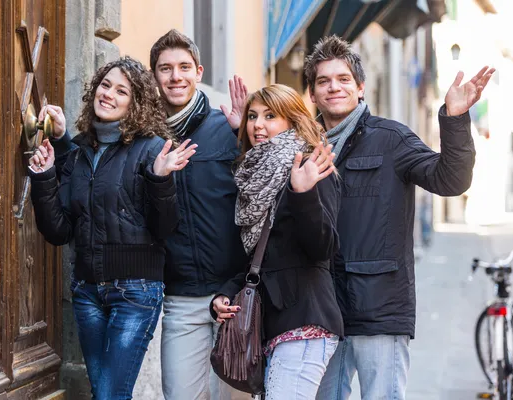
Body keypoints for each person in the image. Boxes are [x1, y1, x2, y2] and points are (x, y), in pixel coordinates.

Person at [303, 36, 495, 399]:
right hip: (321, 311)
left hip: (379, 308)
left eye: (343, 79)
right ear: (312, 93)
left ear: (360, 87)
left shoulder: (391, 139)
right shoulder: (303, 147)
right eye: (323, 81)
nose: (334, 87)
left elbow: (449, 179)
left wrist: (454, 119)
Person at [27, 56, 196, 399]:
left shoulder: (151, 150)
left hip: (135, 293)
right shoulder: (79, 153)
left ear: (135, 104)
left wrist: (161, 179)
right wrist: (44, 178)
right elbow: (59, 231)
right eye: (105, 85)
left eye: (122, 91)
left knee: (108, 396)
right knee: (105, 393)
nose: (109, 95)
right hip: (87, 292)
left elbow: (165, 228)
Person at [211, 84, 344, 399]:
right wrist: (226, 294)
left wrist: (304, 194)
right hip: (269, 324)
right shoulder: (254, 175)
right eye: (253, 116)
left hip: (304, 320)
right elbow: (260, 257)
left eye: (271, 116)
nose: (258, 124)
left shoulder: (309, 168)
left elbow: (323, 248)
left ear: (293, 122)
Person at [149, 29, 249, 400]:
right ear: (155, 77)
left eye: (183, 67)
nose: (175, 76)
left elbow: (268, 191)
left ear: (199, 71)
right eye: (165, 69)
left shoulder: (229, 127)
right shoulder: (146, 138)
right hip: (182, 297)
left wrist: (245, 136)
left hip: (236, 295)